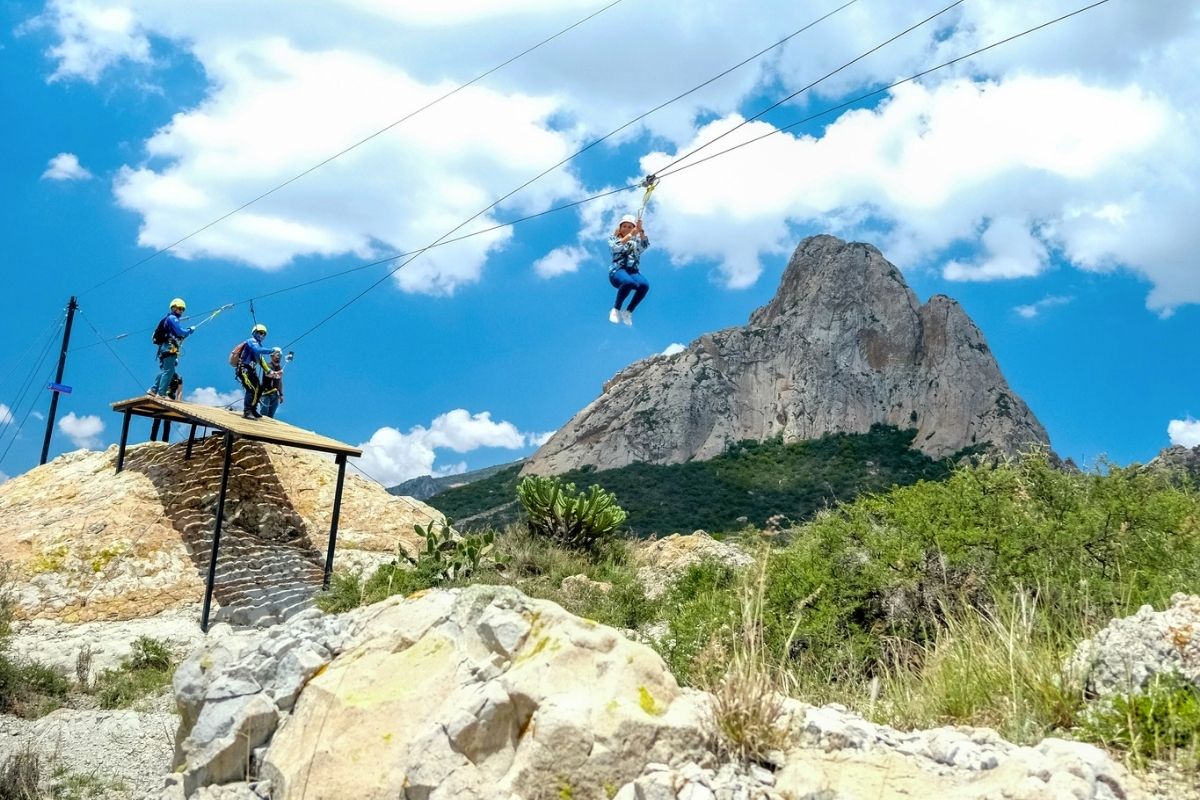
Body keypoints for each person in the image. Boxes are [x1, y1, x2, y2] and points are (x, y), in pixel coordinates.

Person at [608, 214, 650, 326]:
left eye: (630, 227)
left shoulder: (635, 242)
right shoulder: (614, 238)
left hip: (633, 272)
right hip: (618, 271)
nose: (626, 229)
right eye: (624, 226)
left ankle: (628, 311)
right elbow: (615, 247)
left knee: (644, 285)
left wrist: (640, 231)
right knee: (628, 283)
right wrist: (632, 234)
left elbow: (644, 245)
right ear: (620, 228)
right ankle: (616, 309)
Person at [149, 298, 194, 396]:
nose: (181, 311)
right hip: (169, 347)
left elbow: (178, 334)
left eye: (182, 309)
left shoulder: (170, 319)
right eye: (179, 308)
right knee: (169, 370)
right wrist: (190, 330)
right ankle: (161, 393)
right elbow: (180, 331)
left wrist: (184, 334)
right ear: (173, 308)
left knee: (166, 369)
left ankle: (153, 390)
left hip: (165, 347)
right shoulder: (172, 318)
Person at [234, 324, 273, 419]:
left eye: (264, 334)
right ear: (254, 333)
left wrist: (269, 371)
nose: (262, 335)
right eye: (260, 333)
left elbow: (261, 361)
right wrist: (271, 350)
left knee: (259, 389)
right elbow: (257, 349)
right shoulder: (251, 341)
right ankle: (247, 411)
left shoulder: (258, 345)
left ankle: (253, 409)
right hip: (244, 369)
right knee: (251, 389)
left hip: (251, 370)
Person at [258, 348, 285, 419]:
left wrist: (281, 394)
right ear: (272, 356)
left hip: (275, 395)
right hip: (266, 394)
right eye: (277, 356)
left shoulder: (279, 367)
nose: (278, 358)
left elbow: (280, 381)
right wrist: (278, 373)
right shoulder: (268, 366)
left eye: (280, 356)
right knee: (264, 416)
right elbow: (268, 374)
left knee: (270, 417)